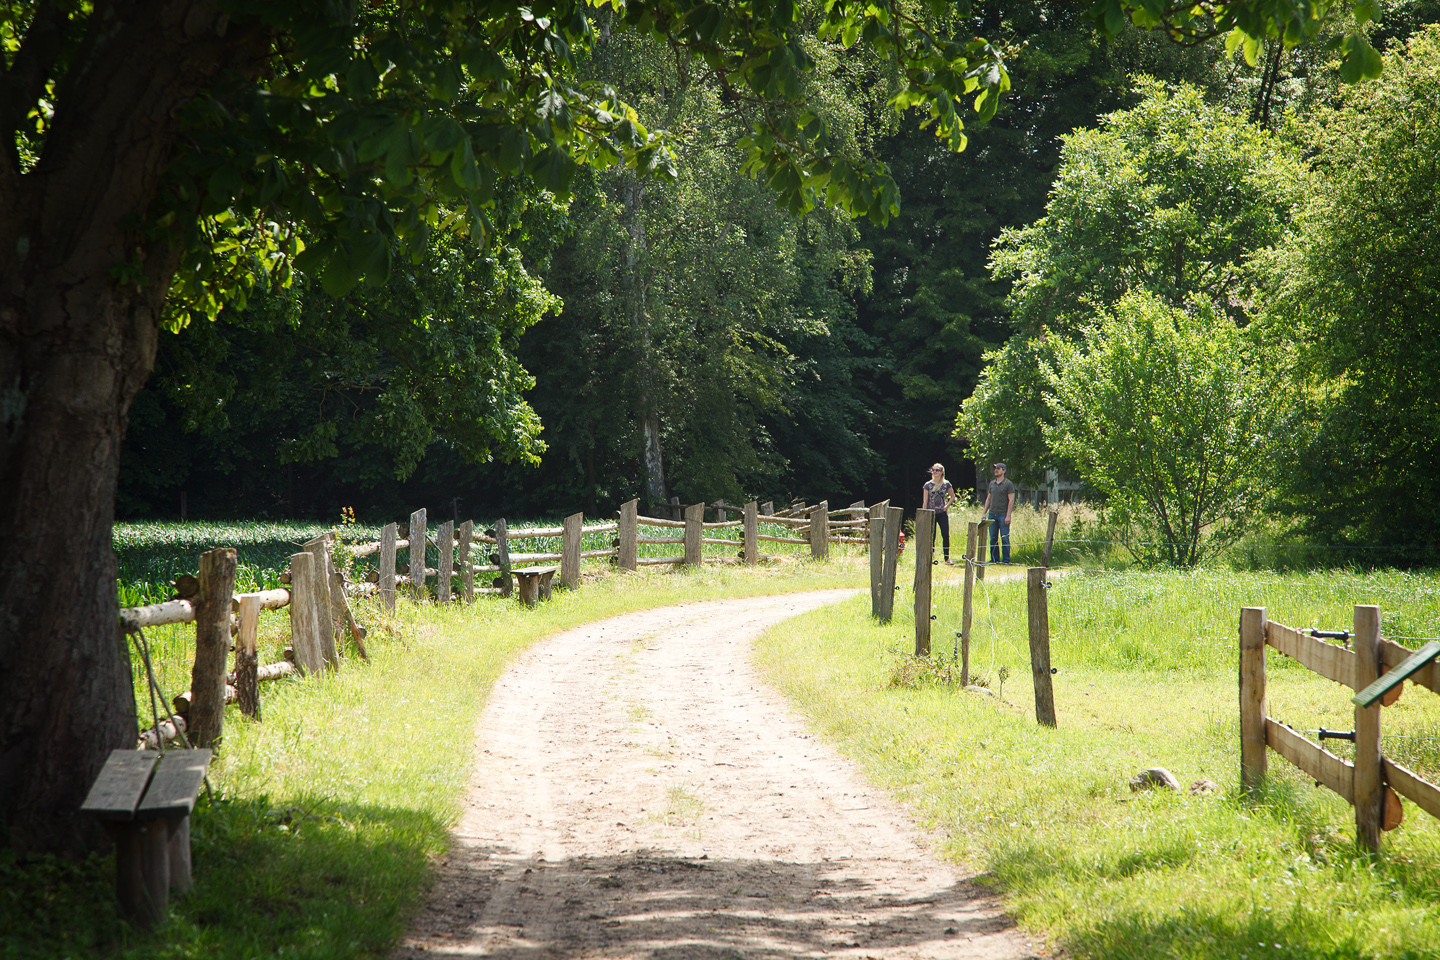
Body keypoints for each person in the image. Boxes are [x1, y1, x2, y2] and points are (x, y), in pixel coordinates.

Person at [921, 463, 956, 564]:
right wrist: (924, 514)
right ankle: (930, 558)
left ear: (941, 472)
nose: (935, 472)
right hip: (931, 513)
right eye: (933, 470)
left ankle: (947, 558)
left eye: (937, 470)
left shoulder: (946, 484)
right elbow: (925, 501)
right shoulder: (927, 485)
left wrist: (947, 506)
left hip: (942, 513)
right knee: (932, 536)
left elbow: (952, 496)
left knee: (945, 534)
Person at [982, 461, 1016, 564]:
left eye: (998, 468)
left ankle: (1006, 560)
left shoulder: (1008, 484)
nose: (996, 470)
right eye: (995, 468)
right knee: (993, 538)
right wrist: (984, 513)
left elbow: (1011, 500)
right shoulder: (992, 483)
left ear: (1004, 471)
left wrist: (1008, 515)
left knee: (1004, 538)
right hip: (992, 514)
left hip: (1003, 515)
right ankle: (994, 559)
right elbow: (988, 499)